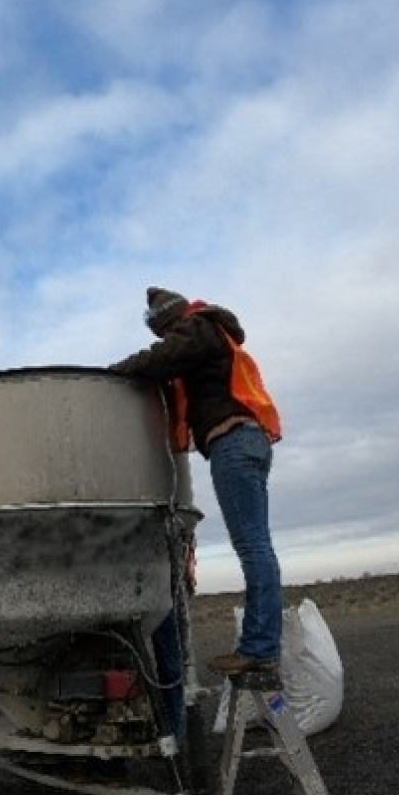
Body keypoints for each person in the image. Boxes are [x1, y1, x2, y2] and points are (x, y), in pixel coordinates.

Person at [111, 287, 284, 675]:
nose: (161, 337)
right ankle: (262, 645)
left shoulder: (198, 328)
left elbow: (163, 359)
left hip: (233, 441)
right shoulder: (210, 332)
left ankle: (259, 648)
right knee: (258, 544)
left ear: (169, 319)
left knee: (253, 546)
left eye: (160, 328)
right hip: (247, 441)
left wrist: (113, 374)